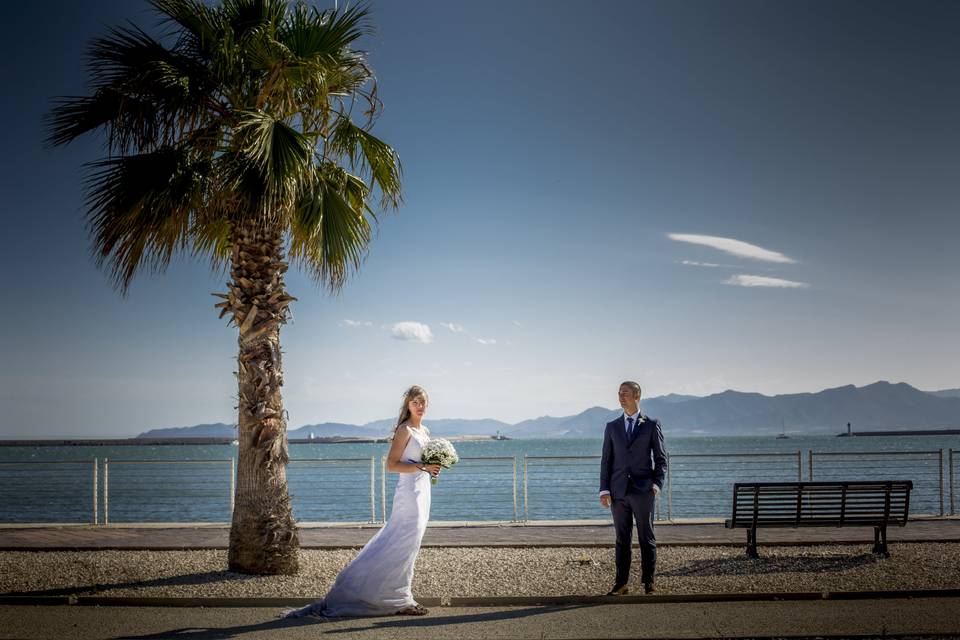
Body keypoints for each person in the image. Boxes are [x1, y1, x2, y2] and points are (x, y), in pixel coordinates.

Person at [280, 385, 441, 618]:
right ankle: (393, 597)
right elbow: (391, 465)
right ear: (408, 405)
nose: (420, 406)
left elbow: (419, 462)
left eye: (424, 402)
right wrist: (423, 467)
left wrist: (431, 469)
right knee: (399, 542)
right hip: (409, 494)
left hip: (423, 490)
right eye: (416, 402)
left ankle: (399, 595)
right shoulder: (404, 430)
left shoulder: (424, 431)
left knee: (409, 546)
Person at [599, 381, 667, 595]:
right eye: (619, 393)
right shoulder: (612, 426)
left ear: (637, 395)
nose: (621, 396)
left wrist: (656, 485)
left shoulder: (651, 424)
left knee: (646, 537)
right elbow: (606, 461)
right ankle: (621, 584)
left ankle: (649, 583)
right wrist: (604, 490)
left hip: (643, 490)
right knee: (622, 539)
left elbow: (662, 459)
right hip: (618, 492)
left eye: (625, 393)